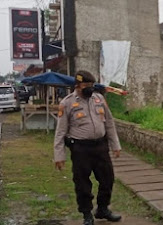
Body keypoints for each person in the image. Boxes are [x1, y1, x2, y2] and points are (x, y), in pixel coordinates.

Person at [53, 70, 122, 225]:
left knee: (108, 179)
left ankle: (102, 209)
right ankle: (86, 214)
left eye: (92, 85)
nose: (90, 88)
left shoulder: (99, 99)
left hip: (100, 147)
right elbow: (60, 132)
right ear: (77, 86)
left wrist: (115, 145)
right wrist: (59, 155)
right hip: (80, 149)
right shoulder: (67, 103)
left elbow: (109, 123)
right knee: (83, 183)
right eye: (86, 85)